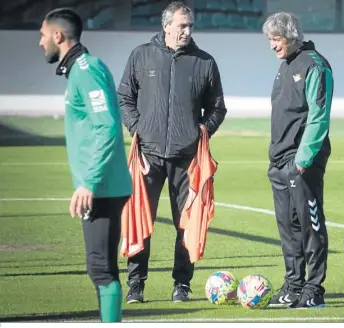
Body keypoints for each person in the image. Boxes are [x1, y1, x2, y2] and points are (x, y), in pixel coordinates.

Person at [117, 1, 227, 304]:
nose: (187, 31)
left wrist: (202, 131)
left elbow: (218, 107)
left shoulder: (204, 62)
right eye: (181, 26)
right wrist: (137, 126)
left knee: (186, 223)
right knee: (141, 219)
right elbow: (125, 95)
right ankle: (136, 285)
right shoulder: (141, 56)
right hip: (147, 156)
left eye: (190, 26)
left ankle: (182, 284)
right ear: (166, 26)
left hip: (187, 158)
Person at [39, 8, 132, 322]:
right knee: (99, 267)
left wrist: (89, 182)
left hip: (102, 187)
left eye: (42, 35)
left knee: (101, 268)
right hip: (99, 186)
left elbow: (106, 126)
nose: (40, 42)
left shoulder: (86, 69)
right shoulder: (78, 69)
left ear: (58, 35)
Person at [263, 12, 334, 309]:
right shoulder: (285, 66)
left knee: (309, 226)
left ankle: (314, 288)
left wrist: (302, 161)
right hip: (279, 161)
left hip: (301, 161)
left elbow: (319, 118)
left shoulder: (315, 65)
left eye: (276, 40)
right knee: (288, 228)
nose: (272, 47)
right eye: (270, 40)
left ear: (291, 36)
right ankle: (293, 285)